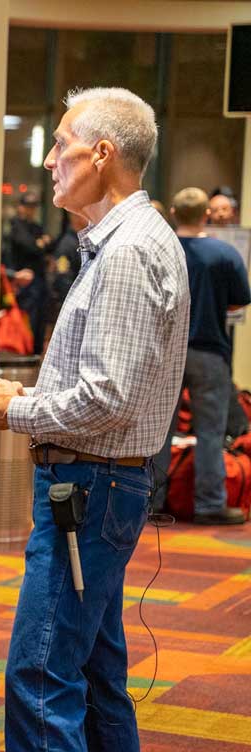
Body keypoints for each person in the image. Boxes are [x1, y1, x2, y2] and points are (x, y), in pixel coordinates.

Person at [0, 87, 188, 752]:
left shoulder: (127, 252)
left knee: (40, 677)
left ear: (102, 154)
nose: (51, 161)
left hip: (88, 490)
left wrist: (19, 409)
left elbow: (106, 397)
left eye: (61, 143)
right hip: (102, 487)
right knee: (93, 675)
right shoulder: (130, 240)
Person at [151, 187, 251, 524]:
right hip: (210, 350)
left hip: (167, 351)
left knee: (160, 429)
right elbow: (238, 302)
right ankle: (210, 505)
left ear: (174, 214)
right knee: (210, 429)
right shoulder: (224, 254)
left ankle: (151, 502)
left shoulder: (160, 251)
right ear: (206, 214)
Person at [6, 192, 52, 353]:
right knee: (27, 319)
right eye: (28, 206)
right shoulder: (16, 226)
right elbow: (31, 247)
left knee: (40, 319)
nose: (31, 210)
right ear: (21, 207)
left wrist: (40, 245)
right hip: (23, 282)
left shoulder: (35, 227)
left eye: (33, 207)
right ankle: (26, 350)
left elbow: (47, 245)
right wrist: (39, 244)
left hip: (38, 280)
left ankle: (35, 351)